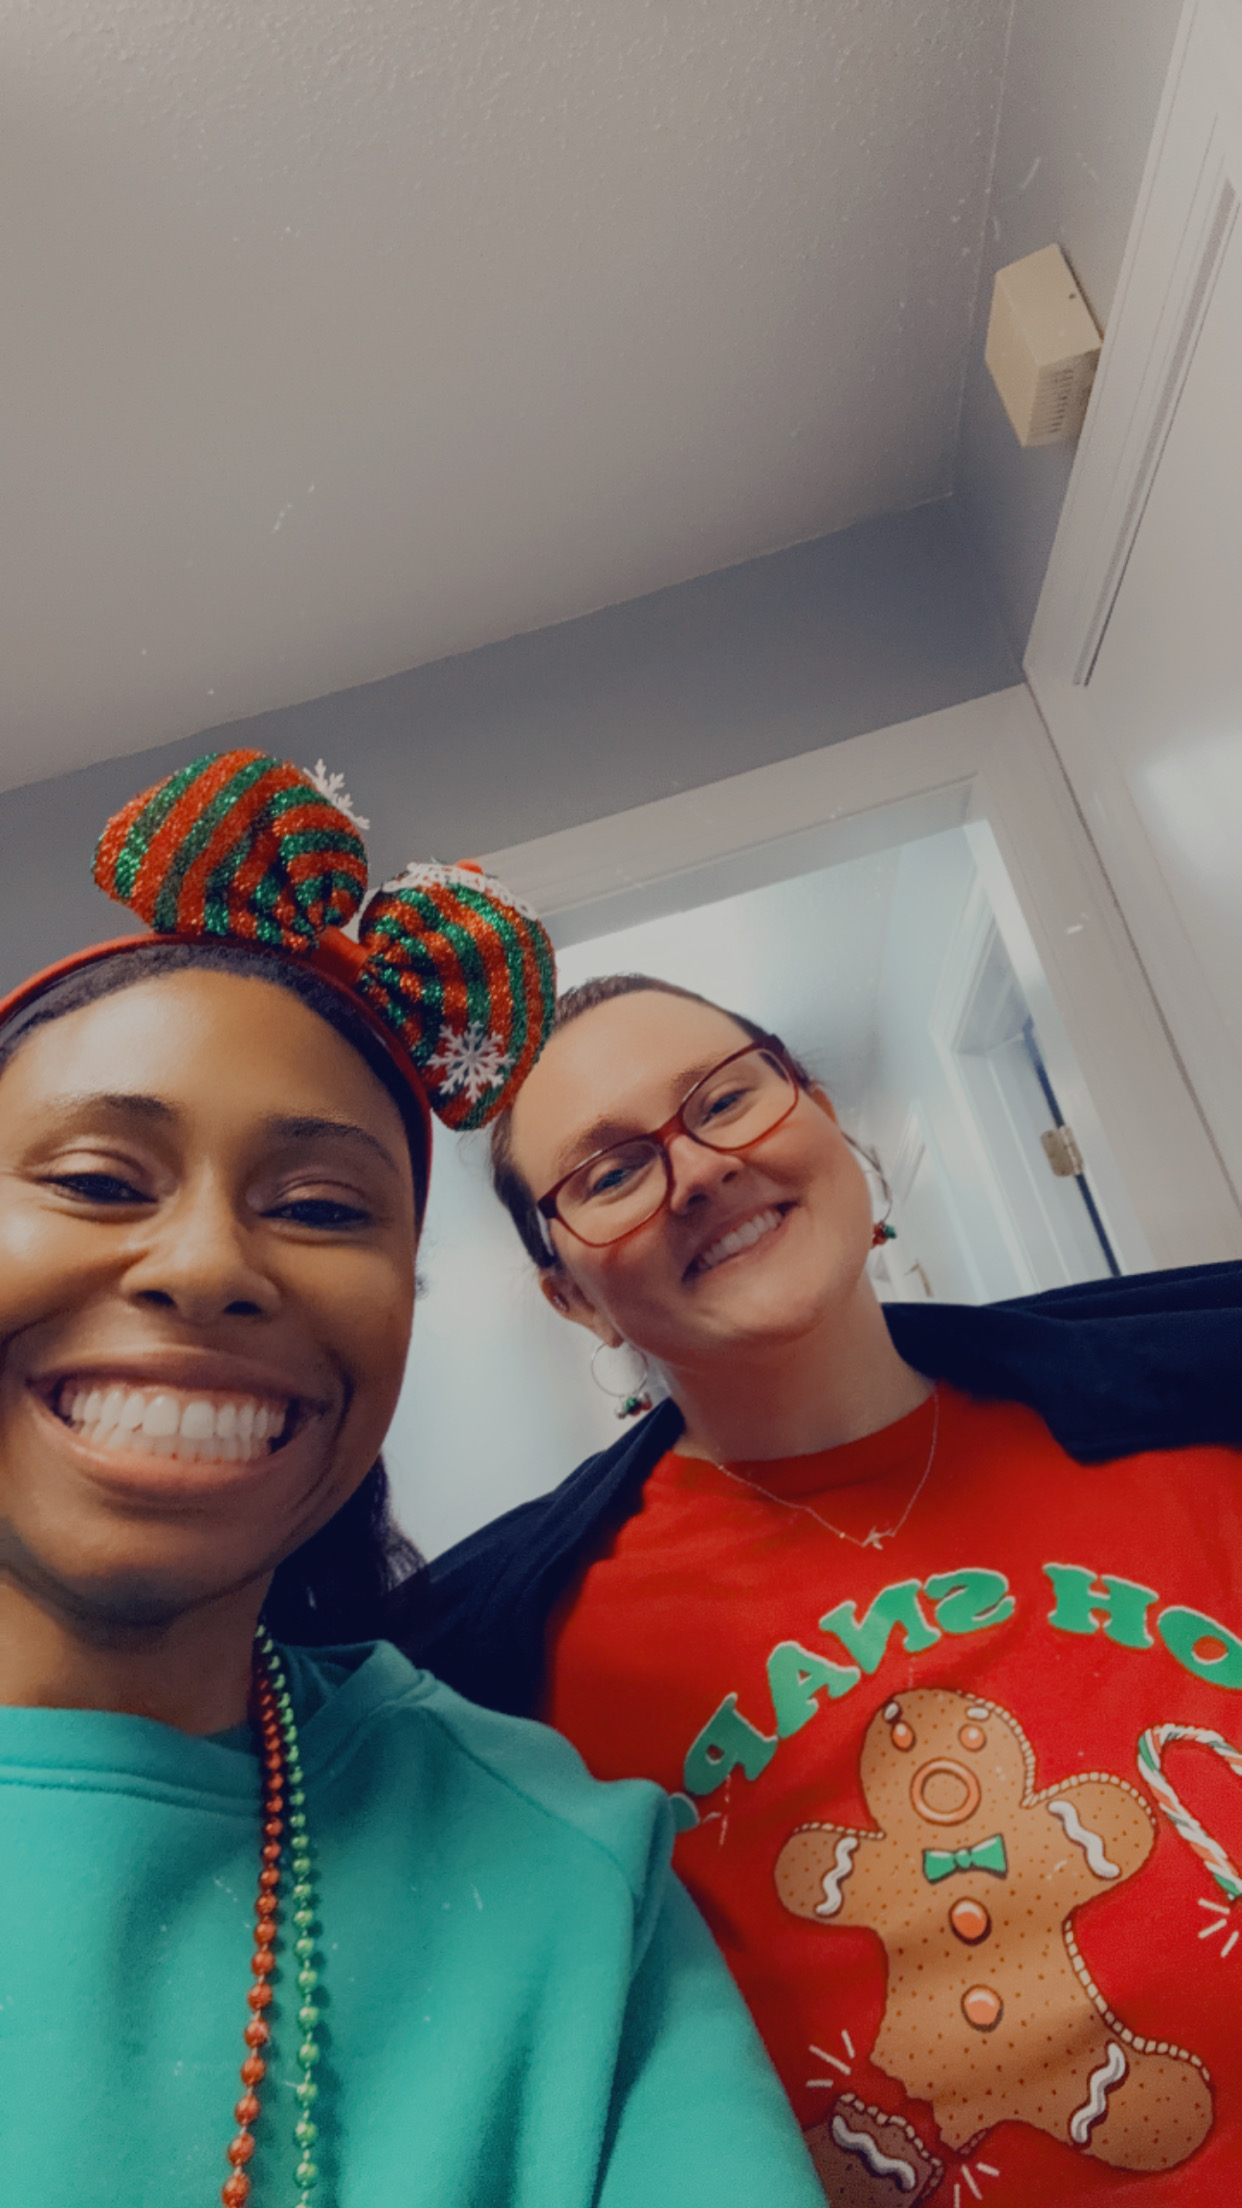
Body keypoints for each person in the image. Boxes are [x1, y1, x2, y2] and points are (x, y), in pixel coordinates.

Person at [0, 766, 825, 2208]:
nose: (206, 1264)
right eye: (96, 1180)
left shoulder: (571, 1876)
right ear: (569, 1293)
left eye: (322, 1208)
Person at [419, 970, 1242, 2205]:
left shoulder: (1197, 1423)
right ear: (573, 1299)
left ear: (821, 1111)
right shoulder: (508, 1672)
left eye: (724, 1099)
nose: (699, 1171)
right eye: (611, 1172)